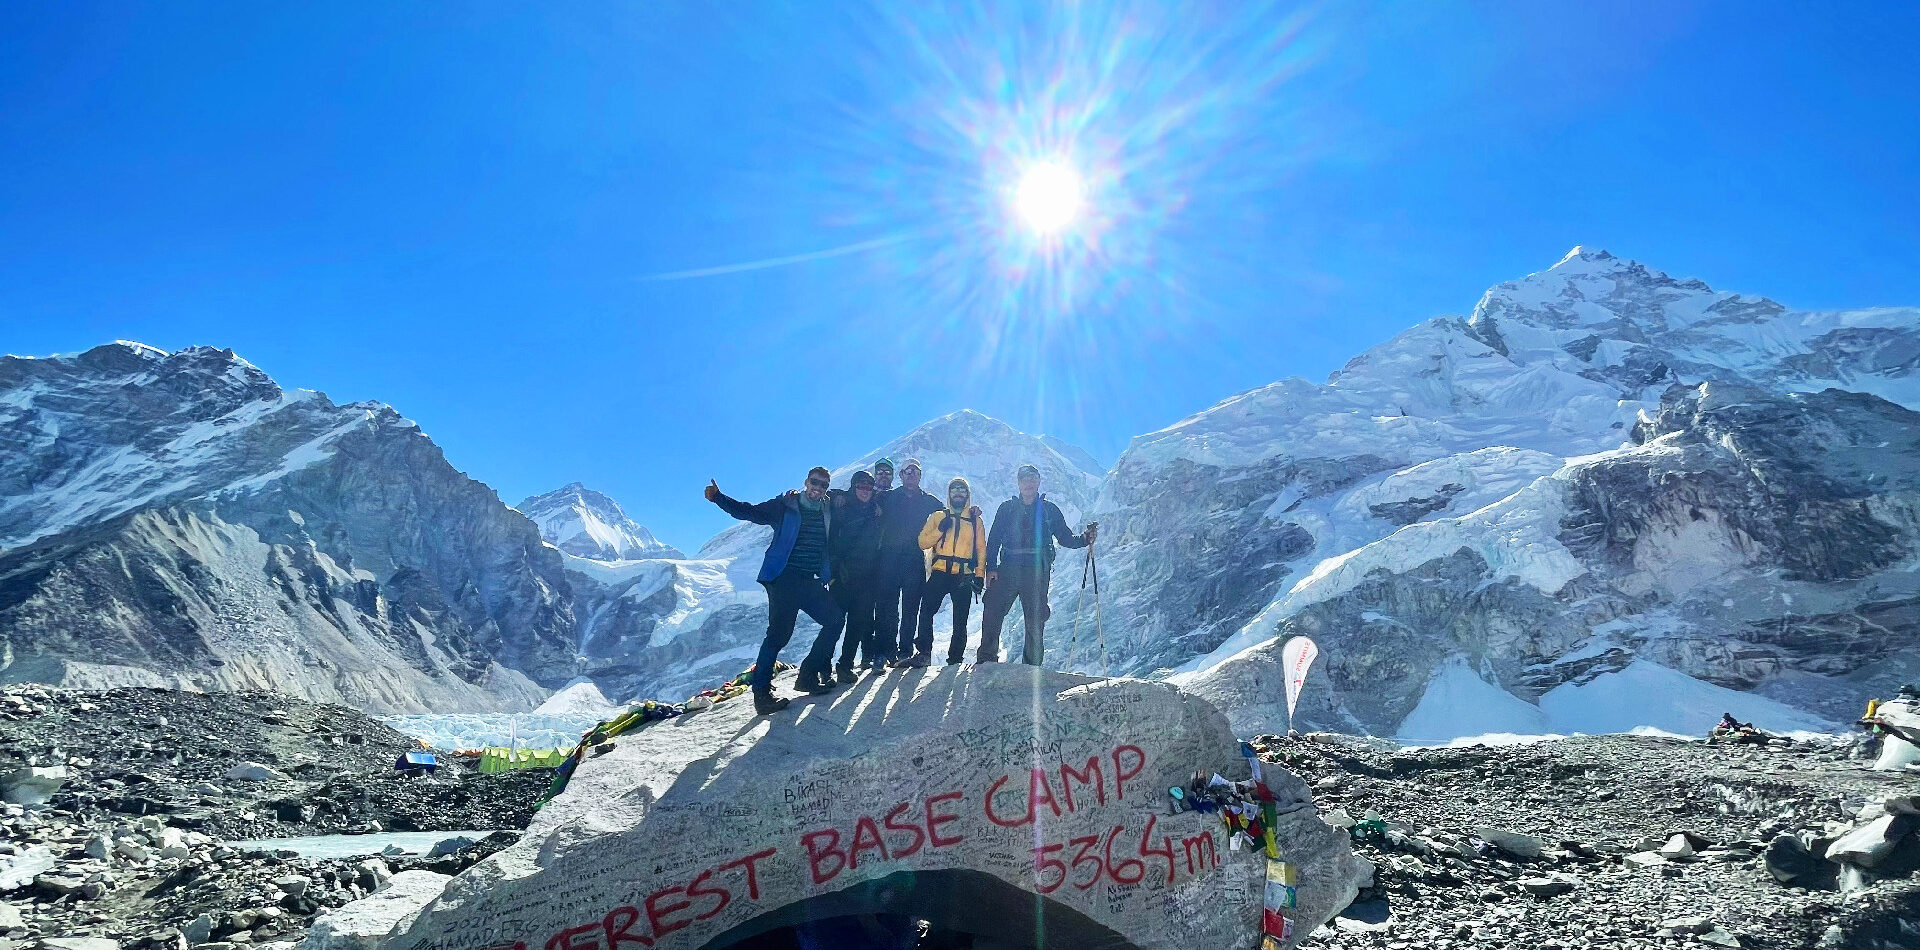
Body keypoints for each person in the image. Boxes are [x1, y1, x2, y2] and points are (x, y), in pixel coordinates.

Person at [704, 467, 846, 713]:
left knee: (834, 620)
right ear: (805, 482)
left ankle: (807, 675)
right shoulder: (786, 505)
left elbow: (852, 497)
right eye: (814, 482)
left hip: (808, 579)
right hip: (784, 579)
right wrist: (718, 498)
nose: (818, 488)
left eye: (823, 485)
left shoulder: (827, 508)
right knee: (779, 634)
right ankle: (761, 693)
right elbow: (751, 512)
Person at [980, 463, 1096, 667]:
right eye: (1025, 479)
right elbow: (994, 539)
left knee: (1035, 620)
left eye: (1032, 479)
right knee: (993, 610)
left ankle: (1031, 667)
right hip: (1008, 569)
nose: (1029, 483)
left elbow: (1065, 537)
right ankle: (987, 660)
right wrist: (991, 567)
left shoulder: (1049, 510)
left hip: (1036, 571)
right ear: (1018, 483)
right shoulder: (1006, 509)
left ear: (1038, 482)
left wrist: (1084, 540)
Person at [912, 477, 985, 666]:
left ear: (967, 495)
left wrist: (979, 576)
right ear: (949, 494)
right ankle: (924, 652)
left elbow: (981, 549)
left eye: (962, 490)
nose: (958, 493)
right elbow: (922, 542)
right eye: (955, 490)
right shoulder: (938, 517)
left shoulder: (975, 520)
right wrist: (939, 531)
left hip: (964, 574)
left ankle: (955, 659)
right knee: (927, 610)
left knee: (960, 620)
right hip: (940, 571)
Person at [877, 458, 942, 667]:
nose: (911, 474)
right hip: (889, 559)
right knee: (887, 607)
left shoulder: (930, 501)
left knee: (910, 608)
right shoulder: (887, 498)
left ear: (920, 475)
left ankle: (904, 651)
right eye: (907, 471)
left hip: (914, 560)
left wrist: (973, 511)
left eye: (915, 471)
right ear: (901, 475)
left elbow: (950, 514)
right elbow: (862, 499)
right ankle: (886, 651)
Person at [828, 470, 887, 683]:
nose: (865, 491)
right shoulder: (842, 506)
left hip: (866, 578)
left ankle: (845, 665)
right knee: (833, 623)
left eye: (869, 487)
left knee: (857, 623)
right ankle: (824, 668)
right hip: (843, 576)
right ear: (853, 487)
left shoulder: (875, 510)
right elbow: (826, 493)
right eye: (861, 486)